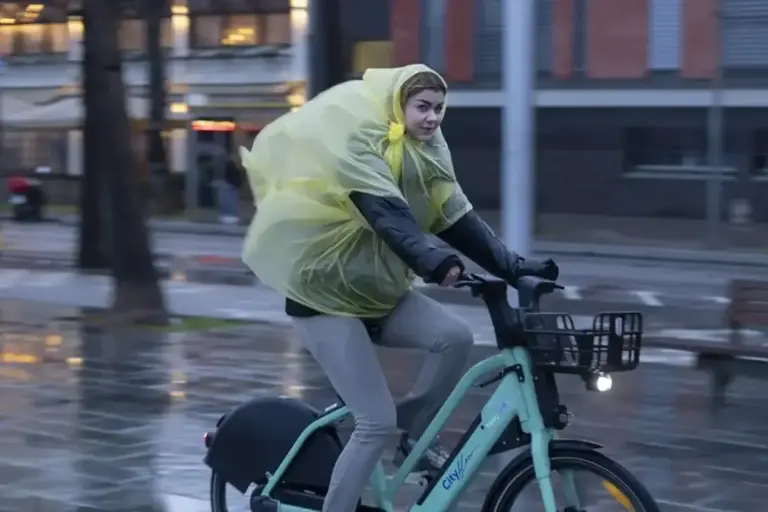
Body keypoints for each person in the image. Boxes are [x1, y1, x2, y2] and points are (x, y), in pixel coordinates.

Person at [239, 64, 558, 512]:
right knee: (373, 421)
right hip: (325, 297)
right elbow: (387, 216)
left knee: (455, 338)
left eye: (439, 109)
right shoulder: (361, 144)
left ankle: (409, 431)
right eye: (422, 107)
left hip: (379, 294)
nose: (432, 117)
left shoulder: (429, 150)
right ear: (398, 105)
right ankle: (374, 450)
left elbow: (456, 218)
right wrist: (433, 260)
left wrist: (515, 268)